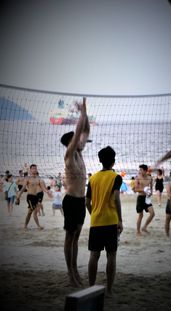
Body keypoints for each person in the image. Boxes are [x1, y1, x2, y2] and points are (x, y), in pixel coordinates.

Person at [60, 98, 90, 287]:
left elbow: (85, 131)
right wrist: (81, 114)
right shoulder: (70, 155)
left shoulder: (80, 152)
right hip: (70, 200)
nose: (81, 141)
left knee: (76, 238)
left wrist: (85, 111)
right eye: (76, 140)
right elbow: (80, 131)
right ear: (71, 142)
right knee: (69, 237)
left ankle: (76, 271)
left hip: (80, 201)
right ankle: (71, 274)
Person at [86, 146, 123, 296]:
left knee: (94, 255)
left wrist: (93, 214)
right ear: (113, 161)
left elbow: (87, 202)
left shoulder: (92, 178)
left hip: (96, 222)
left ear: (100, 161)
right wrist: (120, 219)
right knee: (111, 255)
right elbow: (116, 198)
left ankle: (91, 287)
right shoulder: (116, 177)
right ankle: (109, 289)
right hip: (111, 221)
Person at [16, 164, 49, 229]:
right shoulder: (27, 178)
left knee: (31, 212)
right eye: (33, 168)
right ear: (30, 170)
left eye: (35, 168)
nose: (35, 169)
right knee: (32, 211)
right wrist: (18, 196)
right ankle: (38, 226)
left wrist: (48, 192)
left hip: (36, 197)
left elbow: (43, 188)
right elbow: (23, 188)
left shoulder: (39, 179)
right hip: (30, 197)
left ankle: (26, 225)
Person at [134, 164, 155, 235]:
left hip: (147, 198)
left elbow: (151, 189)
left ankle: (144, 227)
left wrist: (150, 193)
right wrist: (144, 190)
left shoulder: (150, 178)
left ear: (145, 171)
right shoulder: (137, 178)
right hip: (140, 198)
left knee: (152, 213)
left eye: (141, 170)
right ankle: (138, 231)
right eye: (139, 170)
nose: (139, 171)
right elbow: (136, 189)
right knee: (141, 215)